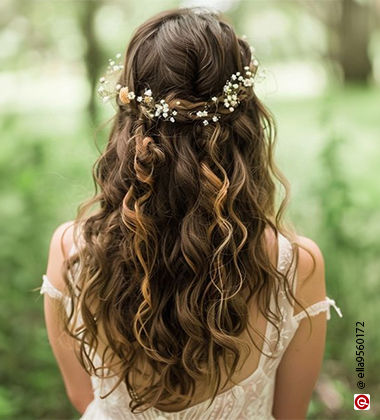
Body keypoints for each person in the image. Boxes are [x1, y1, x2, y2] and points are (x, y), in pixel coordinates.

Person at [40, 7, 342, 420]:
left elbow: (82, 397)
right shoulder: (297, 265)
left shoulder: (72, 249)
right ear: (246, 122)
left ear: (128, 120)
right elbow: (290, 414)